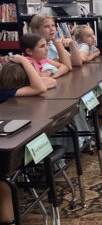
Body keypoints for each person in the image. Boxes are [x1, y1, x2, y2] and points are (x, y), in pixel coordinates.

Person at [0, 54, 56, 225]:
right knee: (4, 180)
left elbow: (49, 83)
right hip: (7, 145)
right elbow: (40, 88)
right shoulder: (7, 93)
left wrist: (36, 74)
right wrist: (25, 61)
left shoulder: (9, 89)